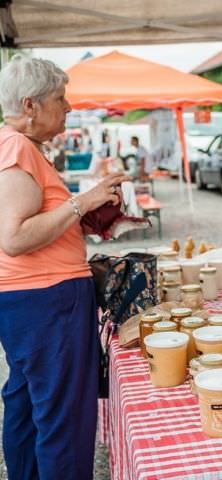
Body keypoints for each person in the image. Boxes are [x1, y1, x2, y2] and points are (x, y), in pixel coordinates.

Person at [0, 55, 129, 480]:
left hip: (28, 301)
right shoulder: (17, 147)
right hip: (47, 302)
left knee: (26, 405)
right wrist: (83, 202)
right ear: (30, 105)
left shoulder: (16, 146)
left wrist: (86, 215)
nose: (69, 107)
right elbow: (15, 237)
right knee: (64, 418)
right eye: (60, 98)